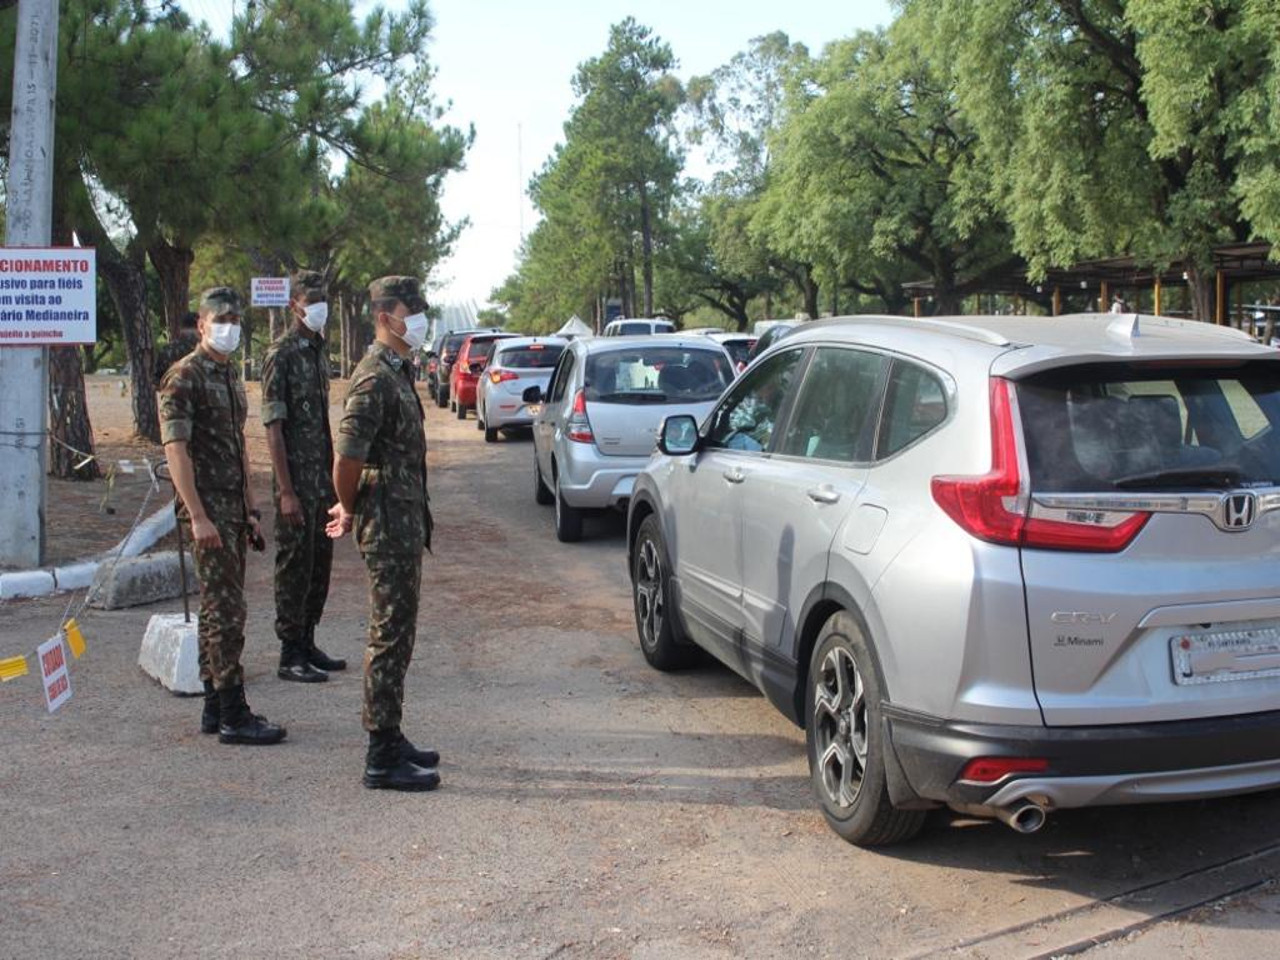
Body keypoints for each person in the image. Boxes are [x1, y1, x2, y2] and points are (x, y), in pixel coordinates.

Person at [158, 287, 285, 746]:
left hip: (233, 510)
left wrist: (251, 509)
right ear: (201, 325)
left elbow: (236, 445)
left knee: (216, 612)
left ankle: (215, 703)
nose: (230, 326)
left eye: (235, 318)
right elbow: (176, 450)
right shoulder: (183, 376)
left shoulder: (229, 375)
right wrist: (197, 515)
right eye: (221, 319)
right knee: (228, 613)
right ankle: (235, 713)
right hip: (208, 512)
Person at [327, 276, 439, 791]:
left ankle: (391, 735)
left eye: (418, 309)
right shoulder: (374, 376)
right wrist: (348, 508)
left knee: (400, 632)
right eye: (407, 310)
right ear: (383, 317)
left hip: (403, 523)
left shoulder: (399, 370)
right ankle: (379, 755)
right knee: (387, 634)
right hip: (386, 525)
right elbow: (347, 458)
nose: (415, 318)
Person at [261, 270, 346, 683]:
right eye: (311, 300)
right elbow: (274, 427)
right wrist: (286, 491)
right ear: (294, 304)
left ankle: (308, 640)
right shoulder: (282, 353)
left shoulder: (317, 350)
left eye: (323, 298)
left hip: (320, 481)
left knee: (319, 563)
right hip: (294, 482)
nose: (319, 307)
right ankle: (289, 652)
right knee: (294, 565)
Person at [153, 311, 200, 383]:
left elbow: (156, 380)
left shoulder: (168, 349)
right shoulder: (208, 351)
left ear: (181, 328)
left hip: (172, 392)